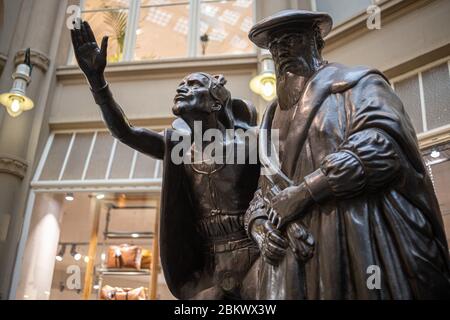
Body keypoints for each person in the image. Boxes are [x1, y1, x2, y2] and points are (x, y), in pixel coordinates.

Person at [244, 10, 450, 299]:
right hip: (290, 266)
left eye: (291, 39)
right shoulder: (269, 119)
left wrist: (305, 192)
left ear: (316, 40)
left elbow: (382, 146)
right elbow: (264, 190)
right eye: (275, 45)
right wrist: (259, 227)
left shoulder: (358, 84)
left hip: (354, 244)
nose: (281, 51)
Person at [71, 20, 261, 299]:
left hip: (256, 257)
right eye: (181, 84)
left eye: (193, 84)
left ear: (215, 103)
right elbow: (125, 132)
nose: (182, 88)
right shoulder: (178, 147)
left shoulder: (249, 142)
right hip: (206, 269)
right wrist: (96, 81)